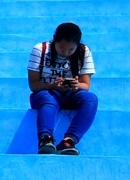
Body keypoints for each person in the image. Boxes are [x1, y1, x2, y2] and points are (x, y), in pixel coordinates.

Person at [27, 22, 98, 155]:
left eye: (71, 50)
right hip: (45, 93)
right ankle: (45, 139)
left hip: (71, 94)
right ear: (54, 40)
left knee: (91, 99)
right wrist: (53, 85)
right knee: (48, 100)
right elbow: (33, 85)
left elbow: (85, 85)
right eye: (61, 48)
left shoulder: (84, 52)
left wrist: (76, 86)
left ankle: (69, 140)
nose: (66, 53)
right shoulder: (40, 49)